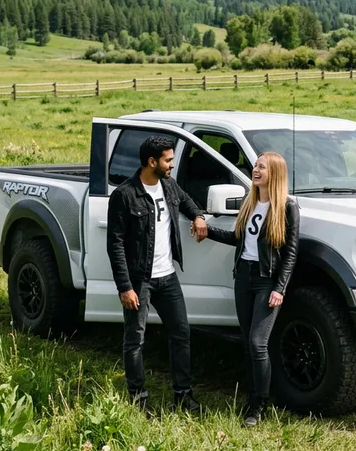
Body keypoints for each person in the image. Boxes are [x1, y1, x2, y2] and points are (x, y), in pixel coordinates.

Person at [107, 134, 208, 413]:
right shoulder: (124, 195)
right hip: (139, 280)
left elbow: (189, 203)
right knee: (135, 339)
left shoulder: (170, 186)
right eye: (168, 160)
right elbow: (114, 244)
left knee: (181, 334)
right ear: (152, 162)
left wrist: (198, 217)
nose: (172, 164)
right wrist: (125, 286)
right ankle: (138, 398)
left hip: (168, 276)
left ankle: (183, 396)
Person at [199, 152, 300, 427]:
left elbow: (291, 253)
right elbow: (237, 238)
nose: (255, 170)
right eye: (255, 166)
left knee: (258, 343)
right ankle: (251, 396)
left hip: (267, 281)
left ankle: (258, 405)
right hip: (243, 277)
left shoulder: (287, 207)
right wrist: (207, 230)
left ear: (274, 174)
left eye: (261, 167)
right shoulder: (250, 202)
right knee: (247, 342)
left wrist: (280, 287)